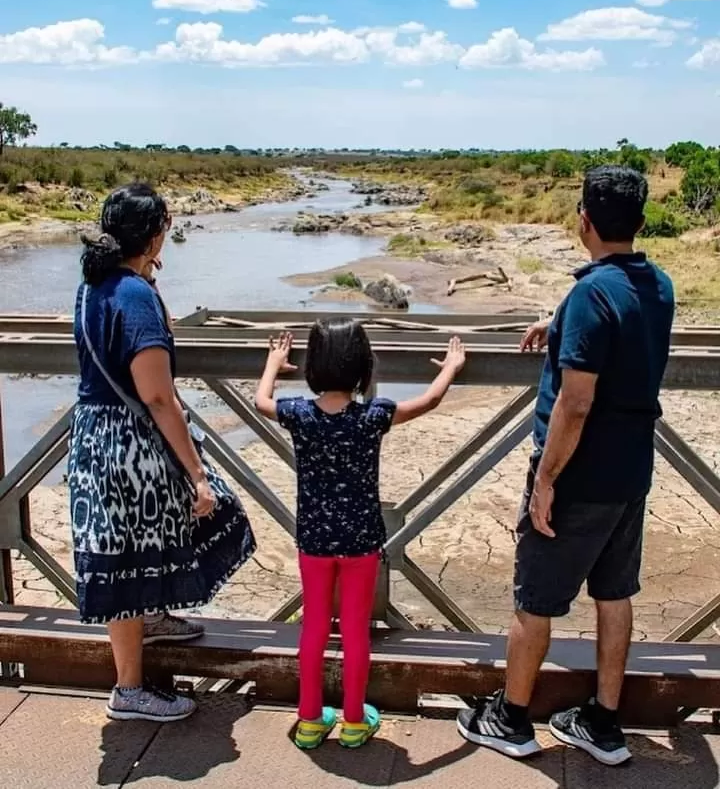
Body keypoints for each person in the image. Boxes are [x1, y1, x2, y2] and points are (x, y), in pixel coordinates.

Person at [457, 165, 675, 766]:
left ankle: (512, 718)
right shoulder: (658, 284)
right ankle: (604, 724)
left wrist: (545, 482)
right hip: (631, 470)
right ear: (639, 220)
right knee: (614, 594)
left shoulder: (590, 293)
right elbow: (623, 319)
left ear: (584, 220)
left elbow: (575, 402)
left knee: (535, 601)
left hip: (578, 476)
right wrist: (559, 325)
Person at [68, 182, 256, 723]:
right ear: (154, 236)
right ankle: (128, 689)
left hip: (94, 437)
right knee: (149, 541)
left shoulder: (95, 286)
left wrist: (149, 275)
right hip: (129, 443)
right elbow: (156, 394)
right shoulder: (134, 296)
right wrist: (196, 472)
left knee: (127, 544)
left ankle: (150, 615)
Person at [255, 319, 466, 750]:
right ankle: (354, 720)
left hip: (314, 540)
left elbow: (262, 402)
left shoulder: (299, 414)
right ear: (363, 368)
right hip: (361, 542)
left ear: (313, 366)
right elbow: (430, 399)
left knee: (314, 627)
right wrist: (452, 366)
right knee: (354, 630)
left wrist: (273, 365)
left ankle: (310, 719)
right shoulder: (374, 416)